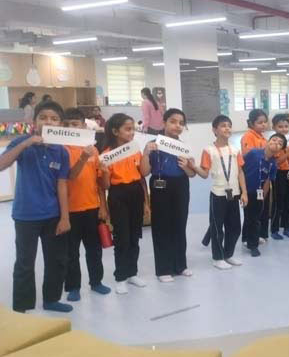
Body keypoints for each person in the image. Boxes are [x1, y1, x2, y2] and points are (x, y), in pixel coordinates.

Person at [0, 100, 72, 313]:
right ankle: (22, 307)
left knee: (56, 260)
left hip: (53, 215)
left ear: (60, 124)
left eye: (54, 118)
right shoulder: (22, 142)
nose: (48, 121)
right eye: (43, 117)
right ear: (34, 121)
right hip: (26, 215)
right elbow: (2, 164)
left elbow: (62, 185)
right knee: (25, 262)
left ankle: (51, 299)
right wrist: (26, 144)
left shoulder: (61, 151)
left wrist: (65, 217)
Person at [140, 108, 195, 283]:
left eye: (181, 123)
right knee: (161, 226)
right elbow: (144, 172)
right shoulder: (153, 144)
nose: (177, 126)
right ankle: (163, 268)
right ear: (164, 123)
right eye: (173, 121)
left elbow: (192, 174)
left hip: (180, 185)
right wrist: (146, 153)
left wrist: (187, 166)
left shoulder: (183, 147)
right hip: (160, 185)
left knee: (180, 224)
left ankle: (180, 265)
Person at [62, 108, 111, 302]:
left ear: (83, 126)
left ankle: (96, 282)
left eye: (75, 124)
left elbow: (101, 184)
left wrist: (103, 206)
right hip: (69, 210)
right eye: (67, 125)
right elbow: (69, 177)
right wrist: (83, 158)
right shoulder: (61, 150)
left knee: (94, 249)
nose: (71, 128)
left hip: (92, 208)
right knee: (71, 252)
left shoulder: (93, 149)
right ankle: (73, 287)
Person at [102, 113, 148, 294]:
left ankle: (132, 273)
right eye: (128, 129)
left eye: (133, 129)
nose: (132, 133)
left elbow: (142, 177)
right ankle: (120, 276)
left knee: (135, 235)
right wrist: (105, 172)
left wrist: (146, 203)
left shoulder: (135, 150)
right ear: (115, 131)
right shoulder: (107, 155)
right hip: (118, 194)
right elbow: (105, 185)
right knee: (122, 237)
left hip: (136, 192)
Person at [195, 115, 248, 270]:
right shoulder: (208, 150)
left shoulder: (235, 150)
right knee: (217, 228)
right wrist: (193, 166)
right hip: (218, 194)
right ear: (215, 130)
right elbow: (204, 174)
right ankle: (217, 258)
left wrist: (244, 192)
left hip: (234, 193)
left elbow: (240, 172)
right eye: (223, 125)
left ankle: (228, 254)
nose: (227, 128)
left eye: (229, 126)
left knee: (235, 227)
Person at [242, 134, 284, 257]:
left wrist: (262, 198)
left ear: (280, 150)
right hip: (245, 189)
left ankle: (251, 243)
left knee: (254, 217)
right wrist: (242, 190)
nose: (276, 143)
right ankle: (249, 241)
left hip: (258, 193)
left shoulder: (273, 164)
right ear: (267, 142)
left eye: (280, 143)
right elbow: (240, 167)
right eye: (274, 140)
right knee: (249, 216)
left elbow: (267, 182)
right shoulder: (254, 153)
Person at [241, 109, 270, 242]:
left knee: (261, 208)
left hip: (263, 178)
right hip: (252, 178)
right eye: (260, 122)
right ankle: (247, 237)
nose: (263, 125)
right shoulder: (248, 136)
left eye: (265, 122)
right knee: (251, 210)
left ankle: (258, 234)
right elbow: (248, 155)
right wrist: (265, 152)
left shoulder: (264, 138)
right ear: (252, 123)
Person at [270, 113, 289, 240]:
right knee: (278, 202)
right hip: (278, 174)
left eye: (286, 126)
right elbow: (277, 161)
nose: (284, 129)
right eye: (280, 127)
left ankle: (286, 227)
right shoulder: (274, 142)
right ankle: (274, 229)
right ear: (274, 127)